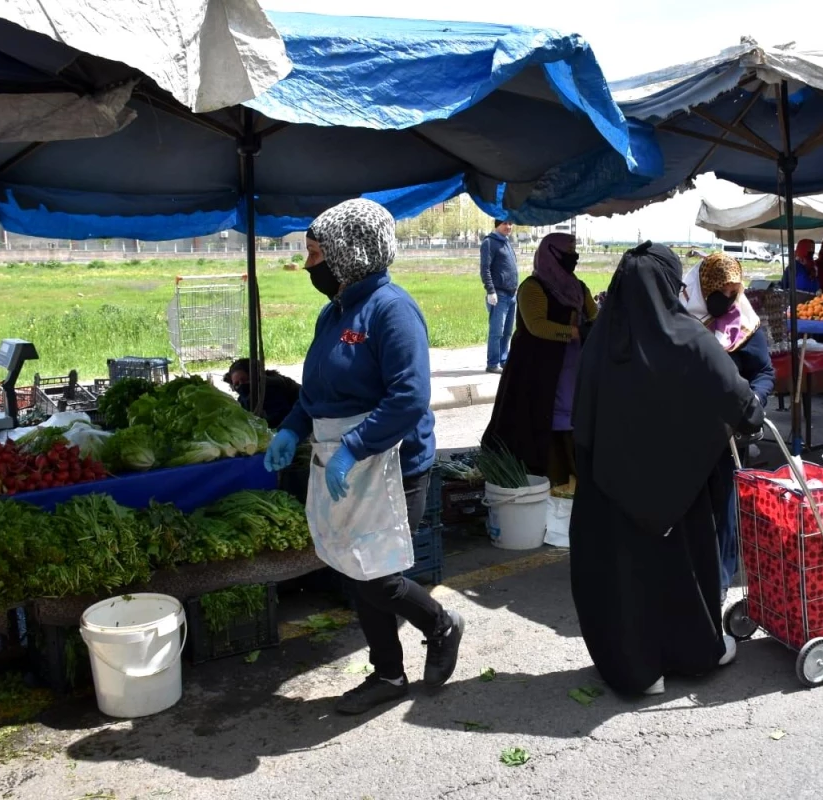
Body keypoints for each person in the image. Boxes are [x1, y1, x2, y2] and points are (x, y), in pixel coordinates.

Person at [265, 199, 464, 715]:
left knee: (377, 574)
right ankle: (388, 674)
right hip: (341, 462)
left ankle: (440, 626)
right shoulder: (334, 312)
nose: (309, 265)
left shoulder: (391, 309)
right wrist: (291, 427)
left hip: (392, 462)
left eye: (315, 254)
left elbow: (409, 397)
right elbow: (316, 391)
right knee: (351, 566)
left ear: (348, 253)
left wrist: (353, 448)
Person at [570, 242, 765, 696]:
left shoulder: (601, 339)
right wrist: (751, 416)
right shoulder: (686, 335)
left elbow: (582, 418)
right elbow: (737, 397)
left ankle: (640, 671)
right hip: (678, 491)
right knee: (683, 571)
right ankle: (695, 652)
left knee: (623, 580)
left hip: (610, 490)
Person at [679, 252, 774, 598]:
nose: (727, 300)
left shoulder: (743, 321)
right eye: (719, 292)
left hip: (727, 434)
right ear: (702, 288)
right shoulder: (678, 317)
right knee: (687, 505)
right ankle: (686, 573)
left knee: (724, 506)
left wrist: (754, 402)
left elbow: (764, 372)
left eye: (733, 292)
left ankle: (718, 579)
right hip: (683, 429)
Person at [482, 233, 597, 486]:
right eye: (568, 251)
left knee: (570, 420)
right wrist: (576, 332)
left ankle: (569, 483)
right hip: (536, 370)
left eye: (575, 251)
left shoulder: (578, 287)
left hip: (570, 368)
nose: (573, 257)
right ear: (551, 254)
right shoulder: (532, 287)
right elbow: (536, 326)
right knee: (536, 423)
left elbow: (594, 315)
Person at [480, 219, 519, 374]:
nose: (508, 227)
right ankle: (492, 363)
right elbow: (485, 269)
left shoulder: (507, 242)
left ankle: (503, 360)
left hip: (511, 295)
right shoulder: (490, 242)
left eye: (510, 224)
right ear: (497, 225)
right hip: (499, 294)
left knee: (508, 331)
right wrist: (490, 291)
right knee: (497, 331)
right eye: (504, 224)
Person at [222, 358, 301, 430]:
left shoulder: (271, 386)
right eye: (237, 384)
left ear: (254, 376)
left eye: (245, 380)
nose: (241, 385)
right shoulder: (243, 397)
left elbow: (280, 416)